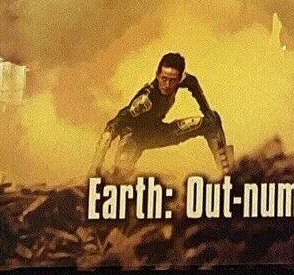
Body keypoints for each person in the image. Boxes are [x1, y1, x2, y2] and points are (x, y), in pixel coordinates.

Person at [90, 52, 230, 180]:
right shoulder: (145, 100)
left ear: (180, 78)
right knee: (118, 179)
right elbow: (113, 125)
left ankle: (228, 172)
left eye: (172, 80)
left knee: (211, 122)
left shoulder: (185, 80)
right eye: (164, 78)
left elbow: (193, 83)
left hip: (158, 132)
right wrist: (95, 168)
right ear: (157, 75)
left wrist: (207, 112)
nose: (167, 85)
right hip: (133, 140)